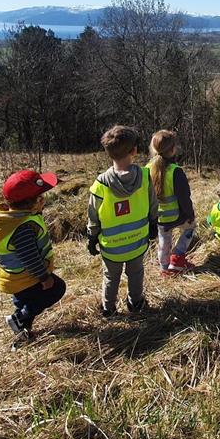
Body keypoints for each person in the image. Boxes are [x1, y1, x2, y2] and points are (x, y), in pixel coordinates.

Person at [0, 169, 66, 337]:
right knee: (57, 288)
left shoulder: (10, 218)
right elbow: (30, 257)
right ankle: (19, 318)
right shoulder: (22, 228)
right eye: (40, 198)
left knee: (25, 301)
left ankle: (21, 330)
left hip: (14, 276)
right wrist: (44, 277)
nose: (44, 200)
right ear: (32, 203)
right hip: (27, 276)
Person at [86, 125, 156, 317]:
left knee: (111, 277)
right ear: (134, 151)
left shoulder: (100, 184)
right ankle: (136, 304)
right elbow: (152, 203)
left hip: (112, 247)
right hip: (137, 242)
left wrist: (92, 237)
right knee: (136, 274)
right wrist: (153, 224)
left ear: (108, 153)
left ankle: (108, 309)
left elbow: (93, 215)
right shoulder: (144, 176)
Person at [148, 129, 196, 277]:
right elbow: (184, 197)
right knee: (191, 228)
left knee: (163, 241)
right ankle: (177, 257)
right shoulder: (176, 171)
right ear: (173, 149)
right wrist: (190, 215)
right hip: (178, 216)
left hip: (159, 218)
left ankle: (164, 268)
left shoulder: (146, 169)